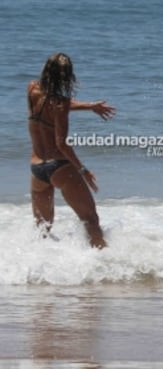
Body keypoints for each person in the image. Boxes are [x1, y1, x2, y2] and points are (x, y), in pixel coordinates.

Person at [27, 53, 115, 248]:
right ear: (67, 76)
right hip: (59, 167)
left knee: (42, 228)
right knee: (90, 220)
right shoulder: (61, 104)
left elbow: (56, 102)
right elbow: (62, 144)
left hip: (37, 169)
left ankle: (36, 271)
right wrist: (83, 170)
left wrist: (90, 106)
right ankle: (105, 266)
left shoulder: (32, 89)